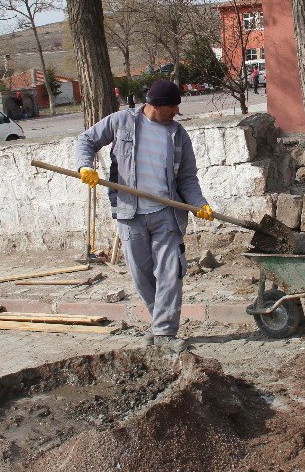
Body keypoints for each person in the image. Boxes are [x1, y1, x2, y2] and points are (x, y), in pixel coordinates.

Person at [75, 79, 213, 353]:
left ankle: (164, 332)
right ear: (156, 105)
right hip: (129, 213)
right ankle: (158, 323)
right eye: (173, 107)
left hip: (166, 214)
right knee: (141, 275)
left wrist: (199, 203)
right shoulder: (121, 122)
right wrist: (84, 166)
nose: (176, 113)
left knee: (170, 273)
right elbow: (86, 139)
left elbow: (187, 177)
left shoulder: (178, 135)